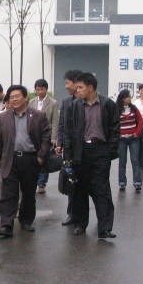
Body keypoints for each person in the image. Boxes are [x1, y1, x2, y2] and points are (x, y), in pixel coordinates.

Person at [63, 72, 120, 239]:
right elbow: (68, 131)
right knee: (80, 189)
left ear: (90, 87)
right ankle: (80, 224)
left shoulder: (107, 104)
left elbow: (115, 129)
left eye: (80, 87)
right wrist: (68, 155)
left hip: (101, 151)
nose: (77, 90)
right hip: (81, 151)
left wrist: (110, 151)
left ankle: (105, 228)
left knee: (102, 189)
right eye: (76, 87)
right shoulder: (75, 106)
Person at [0, 85, 51, 237]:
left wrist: (41, 156)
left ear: (25, 98)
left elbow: (46, 137)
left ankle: (26, 220)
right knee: (8, 193)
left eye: (17, 96)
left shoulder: (38, 115)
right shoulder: (3, 117)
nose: (14, 99)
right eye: (11, 97)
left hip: (30, 159)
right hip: (10, 159)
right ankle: (6, 224)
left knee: (28, 192)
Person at [56, 69, 82, 226]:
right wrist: (60, 143)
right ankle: (71, 214)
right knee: (71, 181)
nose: (66, 86)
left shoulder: (86, 101)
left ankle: (83, 216)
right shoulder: (66, 102)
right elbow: (61, 125)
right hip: (69, 151)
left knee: (85, 184)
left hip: (84, 150)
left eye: (67, 83)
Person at [30, 79, 59, 194]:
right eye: (38, 89)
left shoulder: (53, 103)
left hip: (46, 135)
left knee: (44, 158)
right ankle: (33, 180)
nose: (40, 92)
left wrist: (54, 138)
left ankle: (41, 183)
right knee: (33, 158)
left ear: (46, 89)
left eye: (42, 89)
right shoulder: (31, 102)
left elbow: (55, 121)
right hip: (33, 135)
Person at [116, 89, 143, 192]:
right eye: (127, 97)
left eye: (130, 97)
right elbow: (113, 123)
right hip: (121, 139)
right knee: (122, 161)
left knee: (135, 160)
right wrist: (117, 134)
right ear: (123, 98)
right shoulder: (117, 109)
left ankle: (137, 183)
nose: (129, 98)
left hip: (133, 139)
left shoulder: (134, 108)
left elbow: (140, 121)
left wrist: (137, 132)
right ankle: (122, 182)